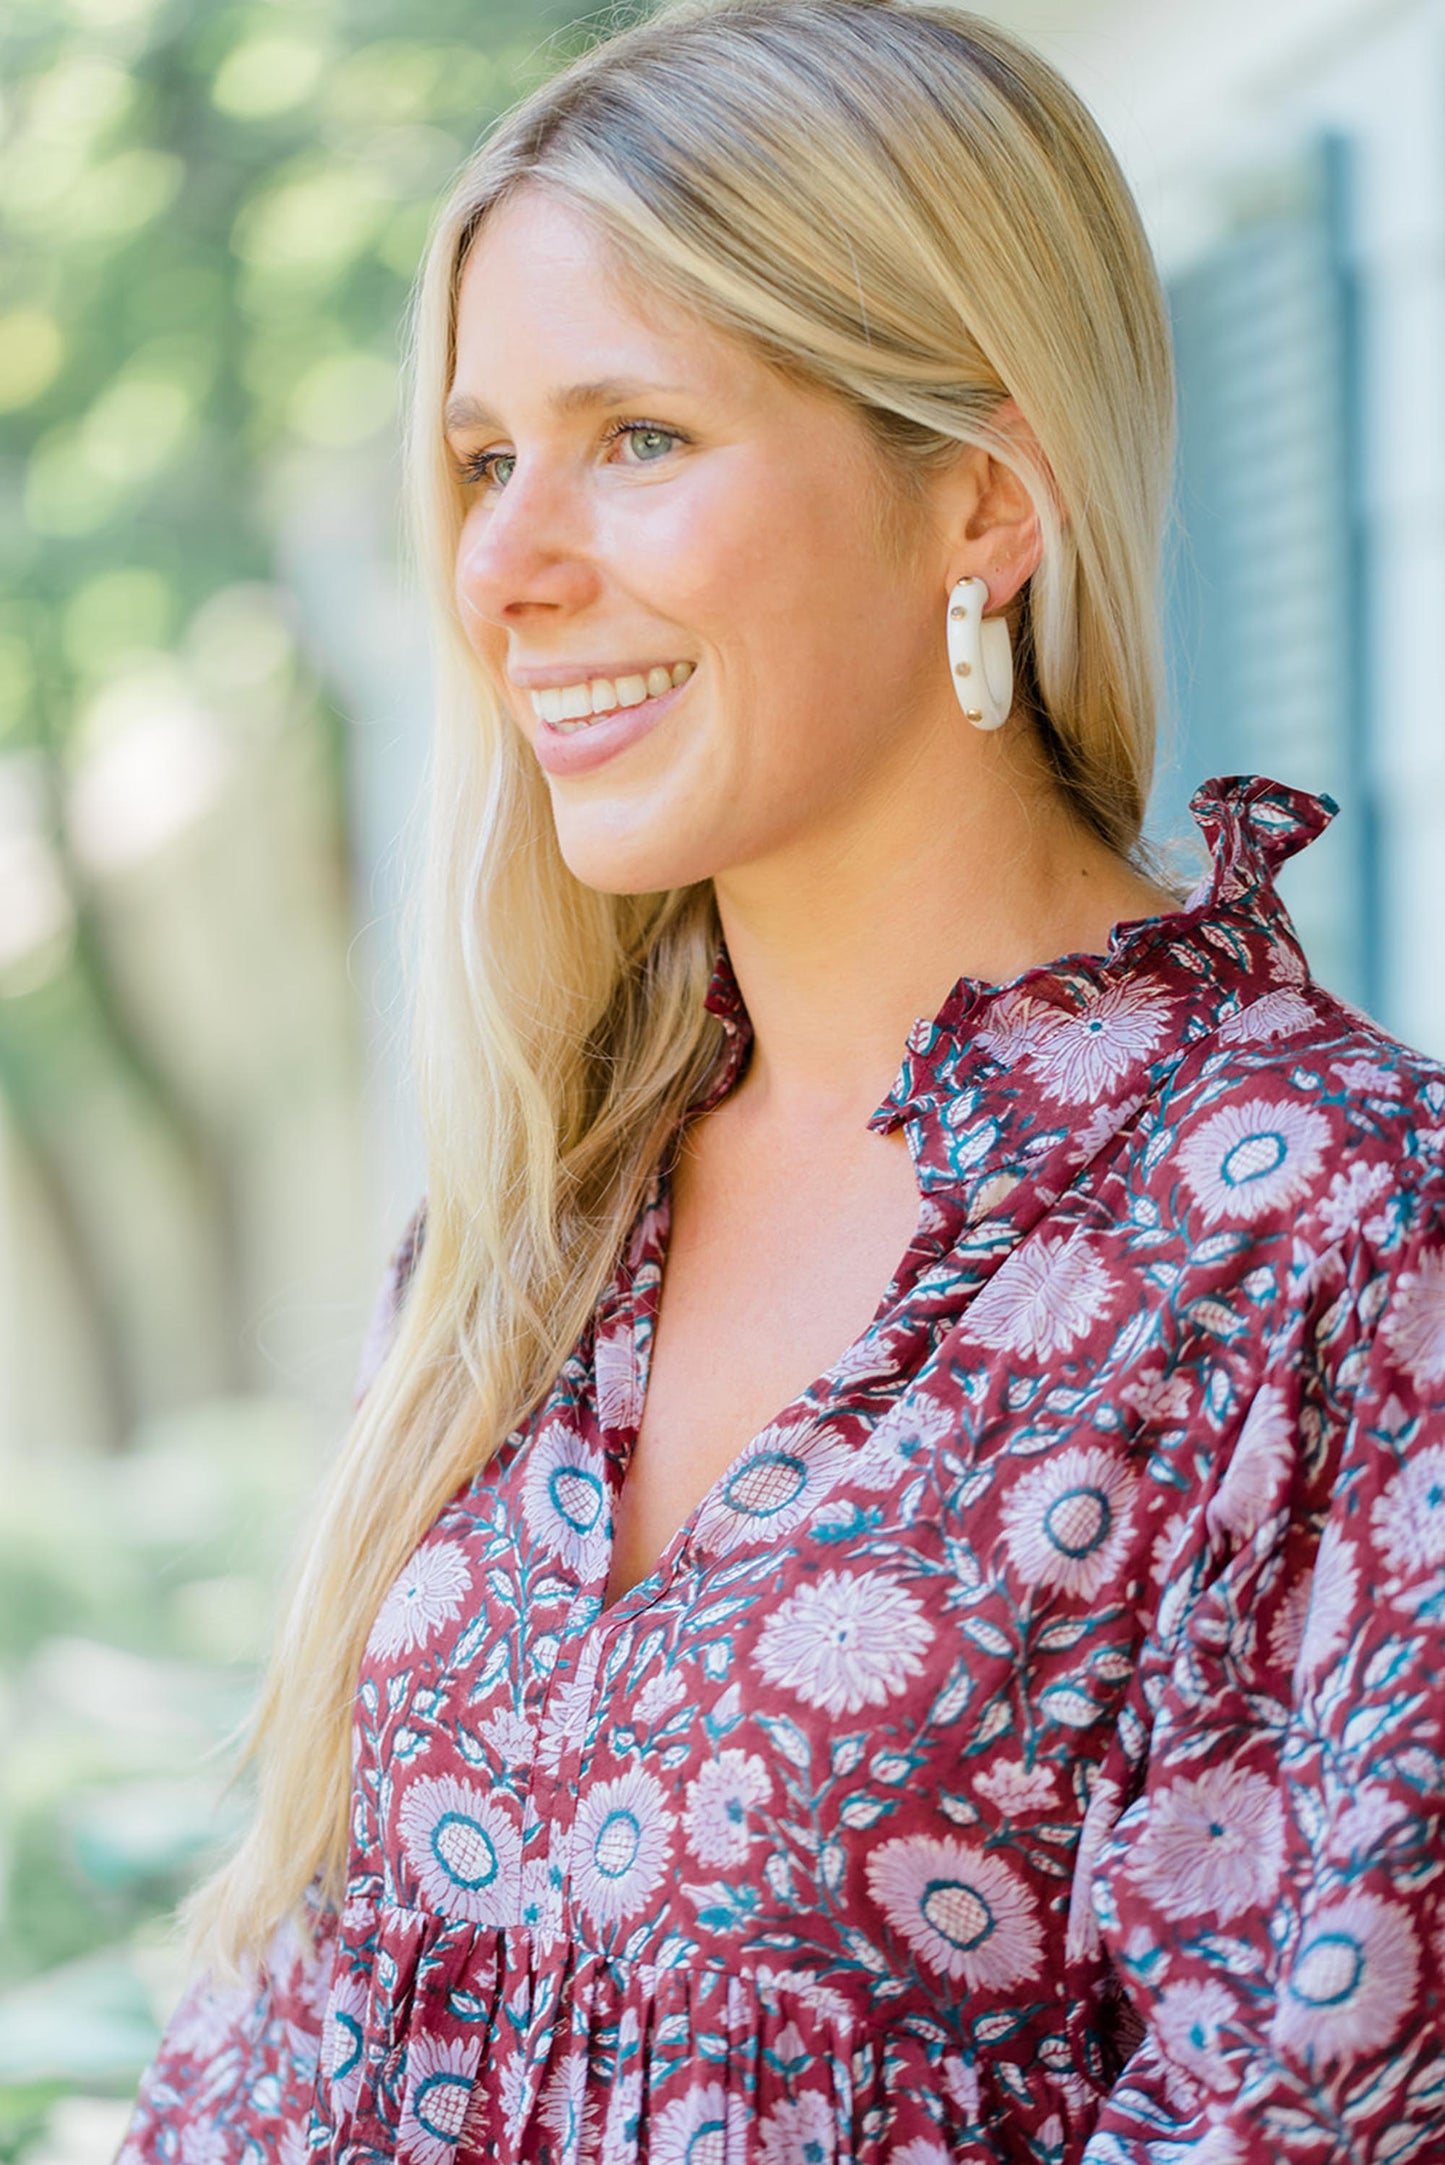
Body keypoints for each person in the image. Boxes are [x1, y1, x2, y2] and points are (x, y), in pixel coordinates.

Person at [118, 0, 1445, 2158]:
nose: (506, 567)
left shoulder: (1332, 1240)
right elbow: (289, 2035)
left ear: (982, 507)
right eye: (481, 460)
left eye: (635, 436)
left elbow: (1316, 2095)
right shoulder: (529, 1231)